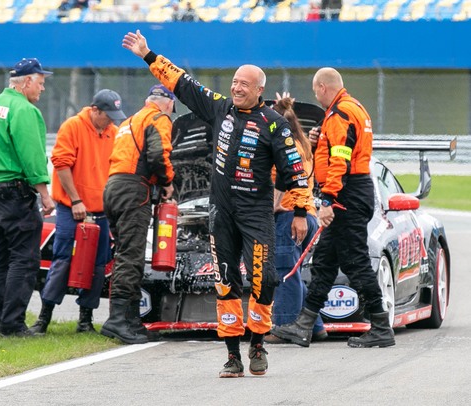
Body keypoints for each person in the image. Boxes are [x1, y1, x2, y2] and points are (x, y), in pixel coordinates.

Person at [122, 30, 312, 377]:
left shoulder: (276, 125)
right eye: (235, 81)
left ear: (259, 91)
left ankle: (257, 343)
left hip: (257, 214)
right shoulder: (220, 107)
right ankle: (232, 355)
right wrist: (149, 55)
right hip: (221, 213)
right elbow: (183, 84)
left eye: (245, 84)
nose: (237, 88)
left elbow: (295, 172)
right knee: (225, 283)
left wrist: (300, 212)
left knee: (265, 280)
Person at [272, 68, 395, 348]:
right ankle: (303, 326)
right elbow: (338, 149)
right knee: (325, 263)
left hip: (346, 194)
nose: (316, 95)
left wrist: (327, 200)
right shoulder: (352, 109)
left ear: (323, 87)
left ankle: (380, 325)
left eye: (316, 91)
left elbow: (340, 158)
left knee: (356, 261)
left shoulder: (340, 113)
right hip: (353, 191)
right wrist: (319, 140)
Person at [0, 58, 56, 337]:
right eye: (41, 83)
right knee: (24, 259)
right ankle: (13, 325)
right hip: (15, 194)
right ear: (28, 81)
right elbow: (31, 155)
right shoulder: (24, 110)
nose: (42, 89)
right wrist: (44, 193)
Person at [31, 89, 126, 336]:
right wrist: (75, 201)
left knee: (98, 265)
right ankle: (44, 317)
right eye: (108, 115)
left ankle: (86, 319)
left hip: (101, 211)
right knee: (63, 260)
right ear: (94, 110)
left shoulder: (113, 133)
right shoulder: (72, 127)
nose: (112, 121)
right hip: (71, 207)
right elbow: (61, 164)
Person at [100, 84, 176, 345]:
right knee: (131, 256)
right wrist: (167, 181)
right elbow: (157, 155)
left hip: (113, 187)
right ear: (167, 104)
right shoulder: (159, 118)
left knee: (123, 253)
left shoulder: (130, 121)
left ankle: (130, 319)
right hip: (135, 189)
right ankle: (118, 320)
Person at [265, 94, 327, 344]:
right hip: (307, 215)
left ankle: (285, 324)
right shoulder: (302, 143)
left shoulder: (287, 145)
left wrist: (275, 206)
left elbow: (286, 177)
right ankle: (315, 326)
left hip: (293, 216)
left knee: (284, 272)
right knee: (294, 271)